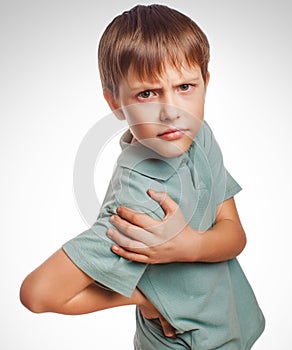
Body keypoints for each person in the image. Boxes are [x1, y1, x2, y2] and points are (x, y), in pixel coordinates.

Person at [20, 4, 265, 349]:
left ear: (205, 83)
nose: (172, 113)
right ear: (115, 103)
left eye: (184, 86)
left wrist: (188, 246)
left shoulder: (199, 135)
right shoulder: (138, 201)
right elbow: (39, 293)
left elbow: (235, 234)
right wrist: (142, 299)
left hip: (231, 322)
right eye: (147, 94)